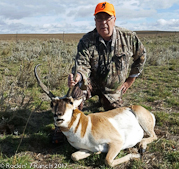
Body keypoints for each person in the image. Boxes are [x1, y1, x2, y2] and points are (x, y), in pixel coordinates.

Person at [68, 1, 146, 111]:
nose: (103, 22)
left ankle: (104, 100)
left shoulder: (129, 37)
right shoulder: (86, 41)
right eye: (99, 18)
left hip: (113, 89)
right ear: (95, 21)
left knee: (115, 115)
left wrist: (130, 80)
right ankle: (67, 125)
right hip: (92, 83)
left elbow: (141, 56)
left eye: (107, 18)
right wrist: (78, 76)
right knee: (76, 94)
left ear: (114, 19)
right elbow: (82, 64)